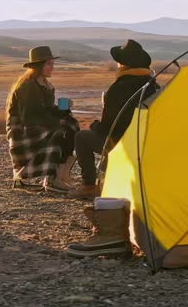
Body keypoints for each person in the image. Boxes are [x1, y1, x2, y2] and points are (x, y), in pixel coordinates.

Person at [68, 39, 159, 199]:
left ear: (123, 65)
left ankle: (89, 185)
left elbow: (108, 128)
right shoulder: (153, 86)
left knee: (82, 137)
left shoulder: (119, 88)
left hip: (122, 143)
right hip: (146, 144)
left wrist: (94, 125)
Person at [6, 46, 79, 193]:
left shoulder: (45, 85)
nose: (52, 67)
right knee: (61, 131)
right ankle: (52, 179)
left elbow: (47, 110)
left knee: (72, 125)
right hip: (23, 131)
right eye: (49, 64)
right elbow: (30, 117)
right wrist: (57, 122)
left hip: (38, 124)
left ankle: (60, 175)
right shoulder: (27, 87)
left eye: (52, 64)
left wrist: (63, 109)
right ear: (39, 66)